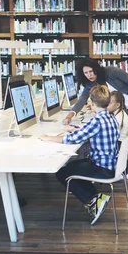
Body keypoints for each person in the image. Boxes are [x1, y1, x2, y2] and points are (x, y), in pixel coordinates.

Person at [63, 59, 128, 183]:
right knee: (118, 137)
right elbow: (82, 98)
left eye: (91, 71)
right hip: (118, 109)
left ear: (96, 69)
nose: (89, 75)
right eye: (86, 73)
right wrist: (70, 115)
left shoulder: (111, 71)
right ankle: (123, 171)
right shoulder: (90, 83)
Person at [41, 85, 119, 225]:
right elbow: (89, 132)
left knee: (61, 173)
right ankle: (96, 197)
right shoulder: (109, 117)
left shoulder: (97, 121)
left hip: (101, 168)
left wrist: (49, 137)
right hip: (110, 164)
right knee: (71, 166)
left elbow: (72, 139)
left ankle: (92, 201)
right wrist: (77, 130)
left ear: (93, 104)